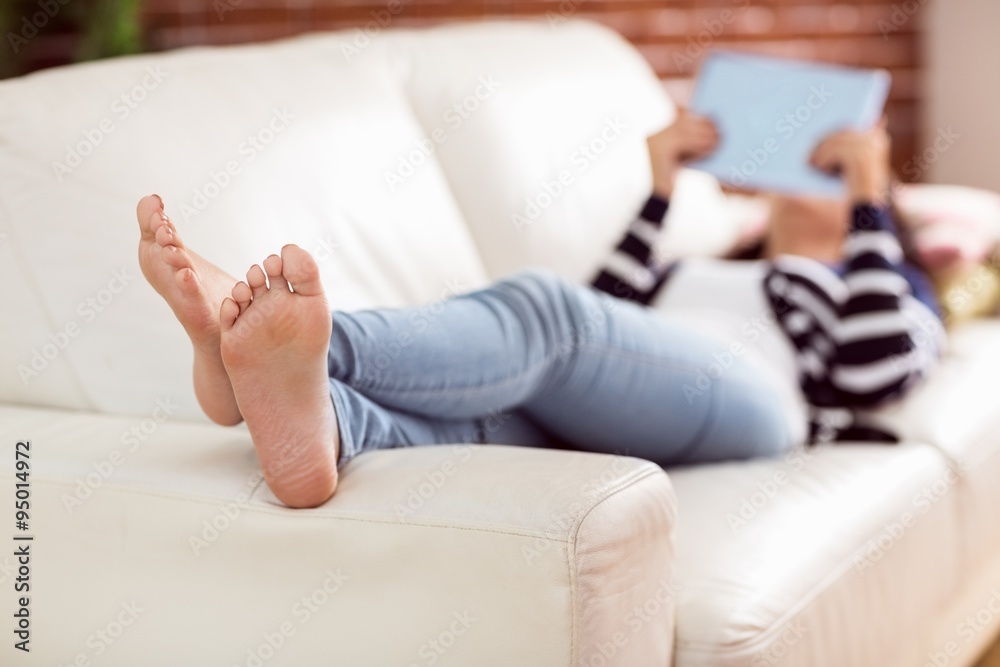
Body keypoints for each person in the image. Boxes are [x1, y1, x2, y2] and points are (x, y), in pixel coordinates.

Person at [135, 111, 939, 509]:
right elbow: (608, 313)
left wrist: (871, 193)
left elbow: (875, 368)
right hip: (639, 390)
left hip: (758, 404)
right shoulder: (713, 260)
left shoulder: (882, 283)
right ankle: (326, 420)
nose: (805, 184)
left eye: (833, 185)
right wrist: (660, 186)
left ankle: (315, 347)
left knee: (546, 313)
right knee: (496, 410)